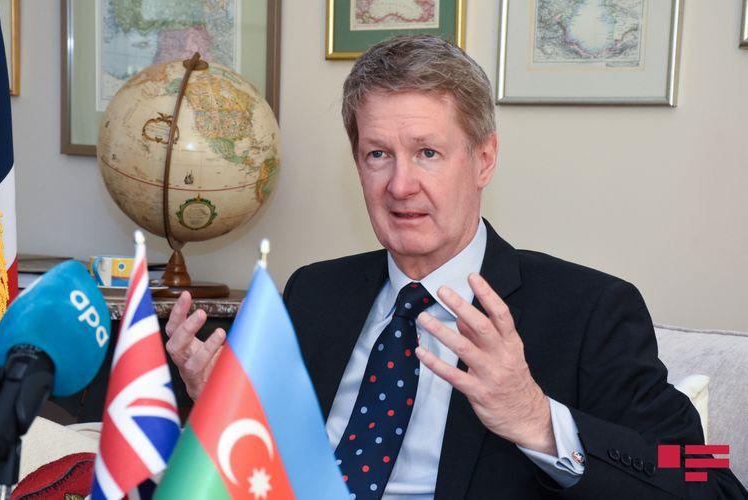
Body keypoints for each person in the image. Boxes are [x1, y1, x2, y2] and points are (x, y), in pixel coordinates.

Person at [164, 36, 746, 499]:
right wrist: (227, 413)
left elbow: (706, 472)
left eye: (428, 153)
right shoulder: (313, 292)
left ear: (484, 159)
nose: (400, 185)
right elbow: (269, 470)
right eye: (378, 154)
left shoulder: (589, 311)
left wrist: (537, 420)